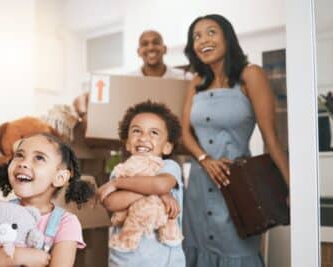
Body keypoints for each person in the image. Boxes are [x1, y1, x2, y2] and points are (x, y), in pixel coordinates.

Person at [181, 14, 290, 267]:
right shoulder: (196, 82)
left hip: (238, 186)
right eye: (196, 36)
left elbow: (271, 139)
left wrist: (291, 187)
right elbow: (185, 133)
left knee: (237, 254)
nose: (203, 40)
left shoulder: (251, 75)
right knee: (196, 251)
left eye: (211, 32)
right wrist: (204, 159)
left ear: (227, 37)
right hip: (197, 186)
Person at [0, 133, 95, 267]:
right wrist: (18, 256)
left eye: (39, 158)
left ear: (59, 178)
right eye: (19, 155)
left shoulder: (65, 223)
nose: (23, 163)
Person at [97, 100, 186, 267]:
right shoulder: (121, 170)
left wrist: (118, 184)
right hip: (124, 259)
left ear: (167, 147)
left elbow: (161, 184)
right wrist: (156, 193)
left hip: (166, 261)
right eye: (137, 131)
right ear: (128, 143)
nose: (144, 137)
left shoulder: (169, 167)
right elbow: (111, 202)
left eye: (154, 133)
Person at [73, 30, 189, 119]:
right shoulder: (128, 80)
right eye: (145, 44)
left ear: (164, 49)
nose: (150, 47)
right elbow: (92, 97)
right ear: (138, 52)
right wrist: (84, 107)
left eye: (156, 42)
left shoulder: (184, 78)